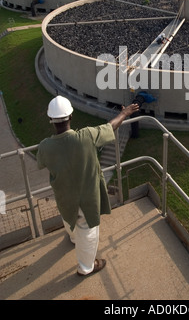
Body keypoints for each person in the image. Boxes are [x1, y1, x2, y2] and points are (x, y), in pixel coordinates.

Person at [37, 95, 139, 277]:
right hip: (86, 197)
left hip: (63, 195)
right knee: (88, 229)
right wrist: (124, 112)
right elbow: (111, 127)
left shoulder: (45, 146)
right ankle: (86, 267)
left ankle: (74, 238)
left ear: (50, 120)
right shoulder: (87, 136)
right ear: (70, 117)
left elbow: (42, 163)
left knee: (68, 217)